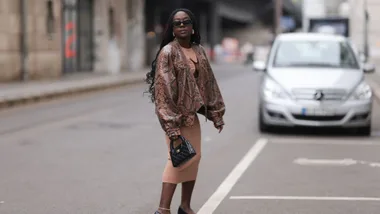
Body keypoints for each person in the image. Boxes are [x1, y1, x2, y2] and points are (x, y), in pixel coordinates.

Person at [145, 8, 226, 214]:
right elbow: (163, 91)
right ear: (172, 29)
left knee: (194, 157)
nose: (181, 26)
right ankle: (163, 210)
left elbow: (209, 84)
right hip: (175, 118)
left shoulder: (198, 50)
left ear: (192, 27)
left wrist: (215, 113)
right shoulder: (168, 52)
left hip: (192, 118)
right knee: (178, 160)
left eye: (186, 22)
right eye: (177, 23)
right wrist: (171, 127)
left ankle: (185, 206)